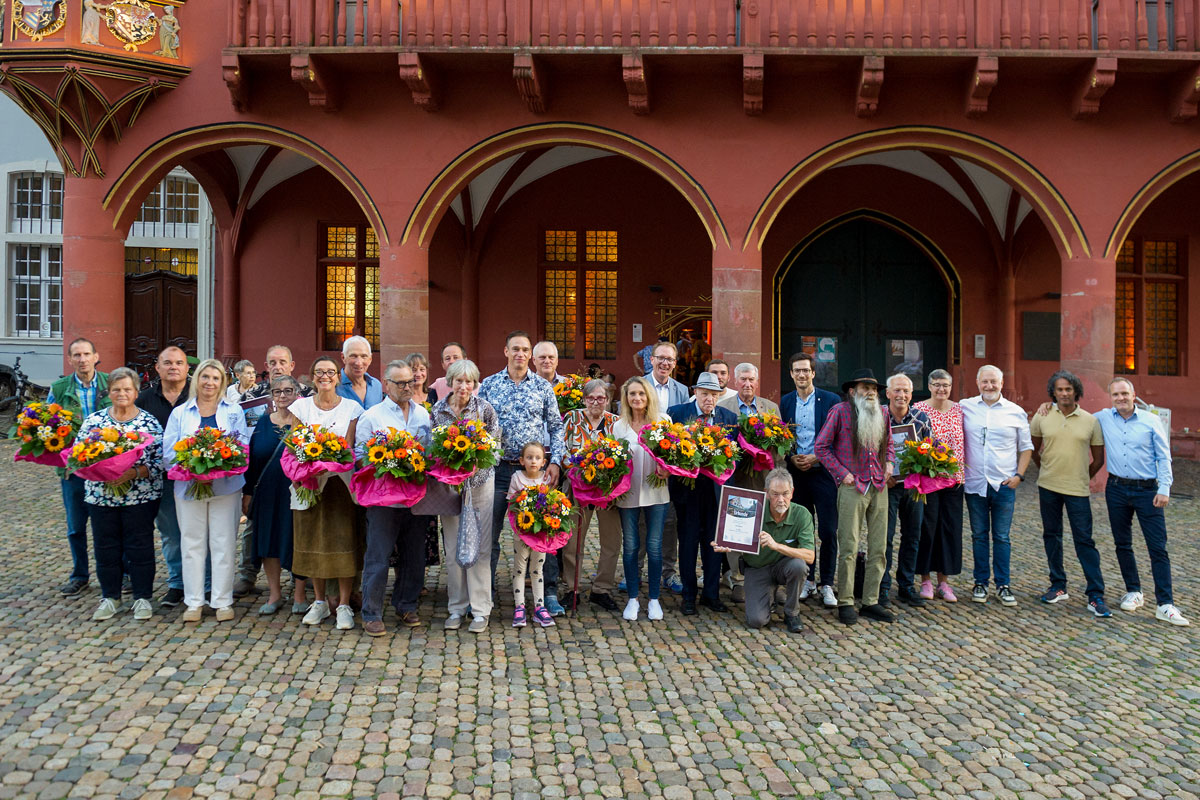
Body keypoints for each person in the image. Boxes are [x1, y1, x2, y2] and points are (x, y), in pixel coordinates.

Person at [478, 331, 567, 614]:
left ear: (530, 354)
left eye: (525, 350)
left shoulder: (542, 387)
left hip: (534, 475)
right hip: (497, 470)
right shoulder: (489, 385)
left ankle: (548, 592)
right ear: (505, 351)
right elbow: (476, 423)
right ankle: (485, 594)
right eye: (515, 349)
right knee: (489, 535)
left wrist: (556, 462)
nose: (520, 354)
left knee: (544, 532)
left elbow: (556, 426)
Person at [162, 359, 249, 623]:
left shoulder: (234, 411)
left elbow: (242, 447)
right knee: (192, 543)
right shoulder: (181, 413)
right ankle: (194, 602)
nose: (210, 382)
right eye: (205, 377)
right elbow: (168, 452)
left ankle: (222, 601)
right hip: (188, 488)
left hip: (226, 488)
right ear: (196, 380)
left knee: (223, 543)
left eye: (215, 378)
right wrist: (191, 468)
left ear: (222, 383)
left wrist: (220, 468)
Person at [1097, 378, 1189, 626]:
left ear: (1133, 394)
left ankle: (1165, 604)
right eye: (1115, 394)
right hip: (1116, 488)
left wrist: (1164, 488)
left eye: (1125, 393)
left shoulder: (1150, 420)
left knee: (1157, 547)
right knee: (1122, 543)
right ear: (1111, 397)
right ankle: (1134, 591)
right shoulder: (1104, 418)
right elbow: (1074, 417)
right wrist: (1047, 407)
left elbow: (1163, 455)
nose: (1120, 398)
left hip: (1147, 490)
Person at [355, 360, 433, 636]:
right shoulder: (373, 417)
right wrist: (387, 462)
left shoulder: (423, 415)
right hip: (384, 499)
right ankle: (372, 612)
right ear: (386, 384)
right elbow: (360, 456)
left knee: (414, 555)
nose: (407, 387)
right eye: (400, 383)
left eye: (410, 382)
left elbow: (429, 451)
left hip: (416, 497)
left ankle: (406, 603)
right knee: (379, 555)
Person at [80, 367, 164, 623]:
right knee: (106, 547)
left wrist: (133, 473)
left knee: (139, 546)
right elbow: (78, 457)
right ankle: (110, 597)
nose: (122, 394)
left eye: (127, 389)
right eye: (116, 389)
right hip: (101, 497)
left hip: (139, 498)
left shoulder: (147, 422)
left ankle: (142, 598)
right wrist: (101, 470)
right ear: (109, 392)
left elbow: (160, 462)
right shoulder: (94, 422)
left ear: (136, 392)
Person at [232, 344, 313, 598]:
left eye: (282, 362)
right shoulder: (250, 397)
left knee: (296, 528)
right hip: (262, 476)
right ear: (265, 367)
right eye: (272, 363)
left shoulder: (307, 396)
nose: (277, 367)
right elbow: (245, 441)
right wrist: (247, 488)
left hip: (295, 480)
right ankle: (248, 573)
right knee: (255, 529)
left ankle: (301, 575)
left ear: (292, 365)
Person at [815, 368, 895, 625]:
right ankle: (847, 601)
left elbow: (890, 445)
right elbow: (821, 447)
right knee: (848, 547)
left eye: (873, 388)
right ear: (852, 391)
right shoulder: (840, 412)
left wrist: (890, 463)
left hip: (879, 486)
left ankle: (870, 600)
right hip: (852, 487)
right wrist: (842, 474)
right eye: (865, 387)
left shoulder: (883, 412)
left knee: (879, 548)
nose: (871, 392)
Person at [291, 356, 364, 630]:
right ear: (312, 376)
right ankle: (320, 602)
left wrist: (329, 462)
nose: (325, 376)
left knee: (343, 540)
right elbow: (294, 446)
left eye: (330, 372)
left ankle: (344, 604)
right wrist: (303, 473)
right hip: (309, 484)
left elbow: (349, 448)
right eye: (319, 372)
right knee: (313, 539)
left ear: (337, 377)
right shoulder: (300, 407)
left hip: (340, 485)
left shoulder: (352, 408)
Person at [1029, 370, 1109, 616]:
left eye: (1068, 389)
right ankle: (1058, 585)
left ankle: (1095, 594)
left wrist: (1081, 475)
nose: (1064, 393)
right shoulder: (1041, 416)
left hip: (1077, 490)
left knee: (1084, 540)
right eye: (1059, 389)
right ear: (1053, 392)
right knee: (1052, 536)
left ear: (1076, 392)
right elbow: (1033, 450)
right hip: (1048, 487)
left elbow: (1098, 459)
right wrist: (1047, 470)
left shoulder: (1090, 420)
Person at [431, 359, 499, 634]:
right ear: (450, 381)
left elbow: (493, 446)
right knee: (454, 545)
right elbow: (434, 446)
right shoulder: (438, 410)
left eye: (469, 381)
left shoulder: (484, 409)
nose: (463, 386)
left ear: (475, 383)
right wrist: (451, 470)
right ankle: (457, 607)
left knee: (480, 545)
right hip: (449, 486)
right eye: (459, 380)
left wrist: (473, 469)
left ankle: (481, 609)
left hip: (480, 484)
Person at [667, 372, 739, 616]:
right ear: (695, 393)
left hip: (716, 493)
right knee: (687, 544)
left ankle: (711, 594)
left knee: (713, 544)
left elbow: (734, 458)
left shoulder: (728, 418)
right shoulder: (677, 414)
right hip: (687, 491)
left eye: (714, 394)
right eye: (705, 393)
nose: (710, 399)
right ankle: (689, 595)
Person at [961, 365, 1032, 607]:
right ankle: (980, 582)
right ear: (977, 382)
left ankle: (1003, 584)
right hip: (975, 483)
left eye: (994, 382)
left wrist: (1019, 476)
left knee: (1001, 536)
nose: (989, 386)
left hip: (1004, 484)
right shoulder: (964, 407)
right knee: (979, 535)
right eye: (985, 382)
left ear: (1001, 384)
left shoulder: (1016, 412)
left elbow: (1026, 448)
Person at [47, 337, 111, 597]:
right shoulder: (60, 388)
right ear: (70, 359)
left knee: (109, 523)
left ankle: (122, 572)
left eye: (87, 354)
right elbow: (47, 423)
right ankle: (80, 575)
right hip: (72, 469)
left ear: (96, 356)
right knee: (76, 525)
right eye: (77, 355)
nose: (82, 359)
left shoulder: (111, 382)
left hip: (106, 465)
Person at [713, 468, 813, 633]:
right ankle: (769, 594)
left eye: (785, 494)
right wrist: (726, 543)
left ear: (792, 493)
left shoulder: (802, 514)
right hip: (757, 568)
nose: (781, 500)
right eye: (775, 494)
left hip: (784, 566)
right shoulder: (753, 508)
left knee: (799, 566)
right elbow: (735, 535)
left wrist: (777, 546)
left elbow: (809, 556)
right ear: (766, 493)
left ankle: (792, 613)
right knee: (756, 621)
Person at [780, 353, 841, 608]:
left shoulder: (831, 400)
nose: (802, 375)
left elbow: (839, 438)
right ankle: (808, 580)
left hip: (823, 473)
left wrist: (816, 457)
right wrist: (792, 457)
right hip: (797, 474)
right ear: (791, 374)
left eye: (806, 370)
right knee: (803, 530)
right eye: (797, 371)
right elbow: (780, 436)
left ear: (813, 373)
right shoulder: (785, 402)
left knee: (828, 530)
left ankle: (827, 583)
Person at [717, 362, 781, 602]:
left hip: (763, 477)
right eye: (742, 379)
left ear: (757, 381)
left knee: (765, 525)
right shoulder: (724, 408)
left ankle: (767, 576)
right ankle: (737, 578)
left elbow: (779, 445)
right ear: (735, 381)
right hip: (736, 475)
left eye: (751, 379)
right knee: (736, 524)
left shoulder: (770, 408)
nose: (747, 384)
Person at [243, 375, 306, 616]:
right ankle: (275, 593)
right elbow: (253, 460)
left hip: (296, 491)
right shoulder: (261, 423)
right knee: (268, 541)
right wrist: (247, 493)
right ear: (271, 396)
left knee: (296, 540)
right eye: (277, 392)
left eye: (288, 391)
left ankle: (299, 593)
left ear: (297, 394)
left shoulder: (304, 424)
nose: (282, 396)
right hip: (267, 491)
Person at [560, 378, 622, 611]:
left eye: (601, 398)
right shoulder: (572, 419)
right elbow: (562, 450)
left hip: (608, 491)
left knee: (611, 540)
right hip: (577, 489)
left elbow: (623, 457)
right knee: (573, 541)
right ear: (585, 399)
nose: (596, 402)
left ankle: (601, 589)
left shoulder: (616, 423)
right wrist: (579, 472)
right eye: (591, 398)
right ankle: (571, 589)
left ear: (608, 399)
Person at [612, 377, 670, 622]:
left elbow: (672, 456)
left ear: (649, 396)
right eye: (632, 394)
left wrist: (667, 468)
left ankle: (654, 599)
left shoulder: (663, 422)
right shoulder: (618, 426)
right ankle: (633, 598)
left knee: (655, 546)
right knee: (631, 546)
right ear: (626, 398)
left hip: (657, 492)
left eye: (641, 394)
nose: (637, 398)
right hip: (629, 492)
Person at [137, 345, 191, 608]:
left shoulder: (198, 395)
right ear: (157, 368)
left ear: (187, 368)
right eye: (167, 363)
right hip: (157, 478)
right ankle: (176, 583)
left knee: (195, 532)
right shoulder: (144, 399)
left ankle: (200, 582)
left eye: (179, 363)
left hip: (194, 476)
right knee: (170, 533)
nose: (173, 367)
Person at [912, 369, 965, 602]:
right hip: (928, 479)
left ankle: (944, 582)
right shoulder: (919, 409)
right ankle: (925, 579)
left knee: (950, 529)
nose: (941, 389)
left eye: (946, 385)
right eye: (937, 385)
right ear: (929, 386)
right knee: (927, 527)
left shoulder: (960, 409)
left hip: (955, 478)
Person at [881, 373, 931, 608]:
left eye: (906, 392)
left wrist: (918, 473)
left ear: (912, 395)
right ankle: (882, 587)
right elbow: (868, 451)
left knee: (912, 536)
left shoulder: (921, 418)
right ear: (888, 393)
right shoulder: (878, 416)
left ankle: (906, 586)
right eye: (897, 391)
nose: (901, 395)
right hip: (887, 487)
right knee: (885, 538)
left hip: (913, 487)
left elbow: (928, 451)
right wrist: (883, 473)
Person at [644, 340, 689, 593]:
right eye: (661, 358)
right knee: (640, 520)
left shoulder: (682, 390)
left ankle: (669, 572)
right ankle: (635, 571)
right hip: (642, 462)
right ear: (651, 360)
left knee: (669, 521)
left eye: (670, 359)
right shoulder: (638, 385)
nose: (665, 363)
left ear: (675, 363)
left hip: (670, 468)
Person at [507, 442, 556, 628]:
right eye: (529, 457)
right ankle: (519, 606)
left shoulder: (546, 479)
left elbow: (551, 506)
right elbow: (511, 504)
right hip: (522, 532)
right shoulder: (517, 478)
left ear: (544, 462)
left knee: (537, 570)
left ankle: (539, 607)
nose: (533, 461)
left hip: (541, 534)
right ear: (521, 461)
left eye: (537, 458)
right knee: (520, 569)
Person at [337, 335, 383, 409]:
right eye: (353, 356)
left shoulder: (376, 385)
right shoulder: (333, 386)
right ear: (343, 357)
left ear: (370, 359)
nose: (358, 362)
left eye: (364, 356)